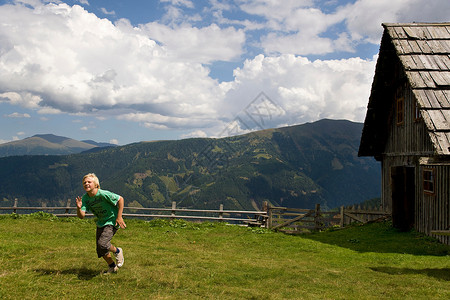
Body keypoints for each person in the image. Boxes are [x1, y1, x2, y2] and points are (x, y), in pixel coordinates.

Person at [76, 173, 126, 274]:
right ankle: (112, 267)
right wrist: (78, 207)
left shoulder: (103, 194)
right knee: (100, 249)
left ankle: (117, 251)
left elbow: (120, 199)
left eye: (89, 182)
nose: (86, 184)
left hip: (112, 221)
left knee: (103, 244)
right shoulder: (85, 198)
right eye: (84, 183)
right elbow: (81, 216)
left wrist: (119, 217)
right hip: (101, 223)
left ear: (96, 184)